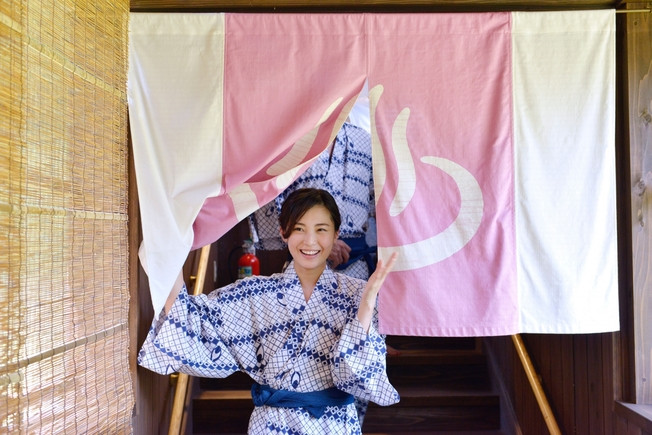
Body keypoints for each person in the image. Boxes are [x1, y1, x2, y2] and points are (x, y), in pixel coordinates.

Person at [138, 188, 400, 434]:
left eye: (321, 229)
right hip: (273, 425)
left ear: (335, 234)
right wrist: (165, 259)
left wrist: (368, 303)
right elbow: (193, 321)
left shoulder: (359, 294)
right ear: (283, 233)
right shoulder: (254, 293)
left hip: (335, 426)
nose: (310, 241)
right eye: (299, 229)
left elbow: (359, 378)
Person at [250, 121, 376, 280]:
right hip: (304, 264)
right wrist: (319, 241)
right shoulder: (287, 137)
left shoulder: (364, 140)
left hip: (357, 268)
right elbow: (266, 204)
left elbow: (379, 206)